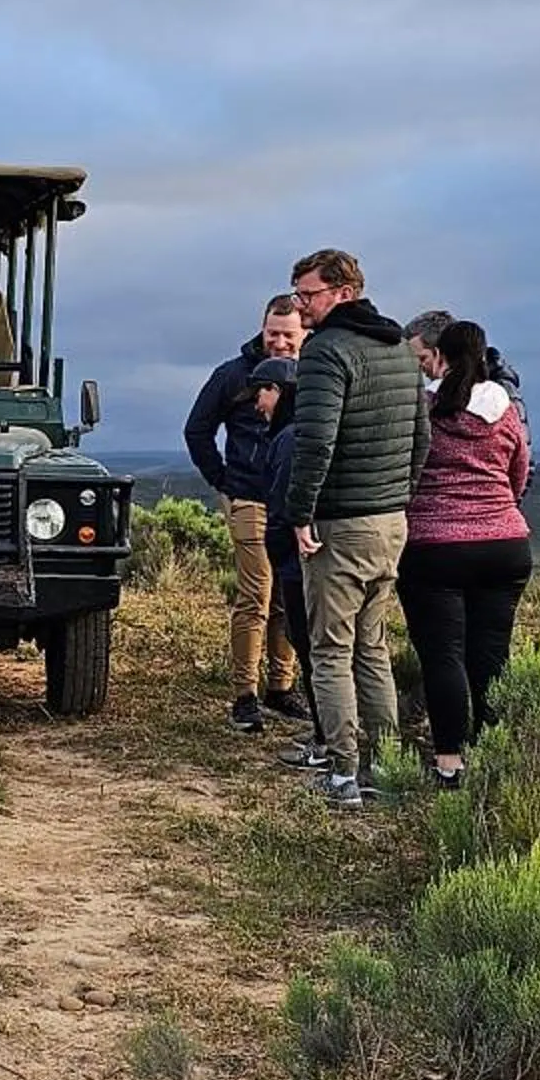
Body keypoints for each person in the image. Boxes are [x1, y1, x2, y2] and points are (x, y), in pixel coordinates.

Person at [277, 249, 428, 809]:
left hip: (340, 523)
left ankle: (343, 774)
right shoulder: (398, 348)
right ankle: (384, 771)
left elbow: (315, 442)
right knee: (374, 648)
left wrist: (299, 513)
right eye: (296, 294)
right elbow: (422, 441)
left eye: (308, 294)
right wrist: (398, 498)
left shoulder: (326, 351)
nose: (301, 305)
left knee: (330, 649)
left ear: (342, 292)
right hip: (390, 522)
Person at [397, 321, 532, 792]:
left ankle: (451, 761)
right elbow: (519, 477)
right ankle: (491, 752)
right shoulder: (507, 412)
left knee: (443, 655)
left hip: (436, 547)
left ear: (439, 356)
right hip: (506, 546)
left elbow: (406, 471)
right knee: (491, 655)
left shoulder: (426, 408)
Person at [181, 295, 305, 731]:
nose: (281, 342)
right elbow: (197, 429)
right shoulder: (233, 375)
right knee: (257, 594)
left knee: (288, 595)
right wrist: (223, 479)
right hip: (250, 495)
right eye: (274, 333)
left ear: (303, 332)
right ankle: (245, 695)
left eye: (289, 334)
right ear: (262, 328)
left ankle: (282, 686)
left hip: (295, 502)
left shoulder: (315, 373)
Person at [248, 350, 316, 719]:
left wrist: (278, 545)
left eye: (261, 393)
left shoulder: (290, 439)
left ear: (277, 390)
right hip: (303, 554)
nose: (258, 405)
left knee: (311, 645)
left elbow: (285, 506)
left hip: (296, 557)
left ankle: (327, 738)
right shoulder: (300, 433)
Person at [405, 309, 524, 406]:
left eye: (422, 358)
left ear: (442, 353)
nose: (419, 367)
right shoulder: (499, 389)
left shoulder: (497, 398)